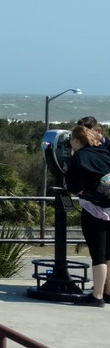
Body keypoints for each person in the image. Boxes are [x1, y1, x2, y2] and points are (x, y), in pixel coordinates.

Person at [64, 123, 110, 306]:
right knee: (109, 253)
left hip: (94, 210)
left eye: (71, 142)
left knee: (98, 254)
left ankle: (96, 296)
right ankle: (108, 292)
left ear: (77, 140)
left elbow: (73, 186)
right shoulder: (104, 152)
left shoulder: (79, 157)